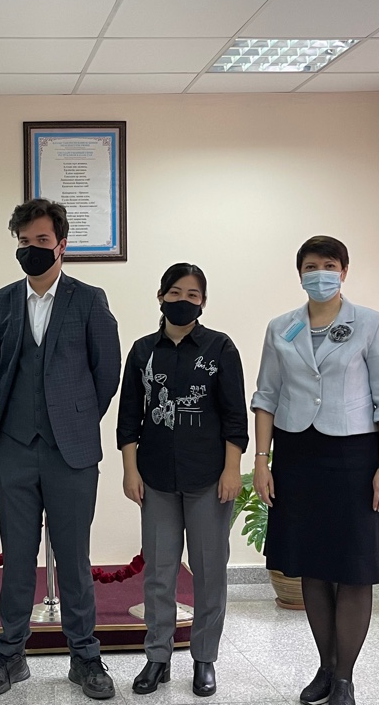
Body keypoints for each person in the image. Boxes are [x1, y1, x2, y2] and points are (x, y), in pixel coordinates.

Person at [251, 236, 379, 705]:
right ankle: (325, 666)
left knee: (354, 569)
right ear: (299, 273)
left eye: (329, 264)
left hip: (355, 458)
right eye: (310, 266)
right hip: (298, 456)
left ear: (344, 271)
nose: (320, 273)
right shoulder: (282, 328)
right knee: (313, 567)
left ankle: (345, 678)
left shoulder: (372, 324)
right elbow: (266, 397)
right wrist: (262, 461)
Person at [0, 198, 121, 700]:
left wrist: (75, 420)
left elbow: (107, 372)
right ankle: (10, 655)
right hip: (13, 448)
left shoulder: (89, 300)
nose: (32, 249)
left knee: (74, 558)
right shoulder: (0, 302)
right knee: (17, 557)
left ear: (61, 245)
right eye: (24, 241)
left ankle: (85, 656)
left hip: (71, 452)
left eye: (41, 240)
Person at [116, 263, 248, 698]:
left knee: (209, 572)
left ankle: (204, 658)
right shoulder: (142, 351)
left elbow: (235, 417)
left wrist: (232, 470)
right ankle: (157, 657)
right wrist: (130, 470)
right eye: (175, 292)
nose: (183, 301)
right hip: (155, 478)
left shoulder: (220, 347)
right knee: (159, 572)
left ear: (203, 302)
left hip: (210, 478)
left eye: (193, 295)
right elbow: (129, 419)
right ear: (160, 297)